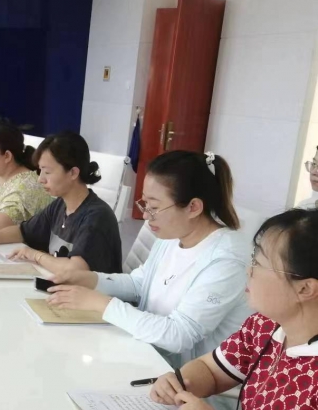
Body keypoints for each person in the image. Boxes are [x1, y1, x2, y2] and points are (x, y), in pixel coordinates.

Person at [149, 208, 318, 410]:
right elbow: (212, 371)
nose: (248, 270)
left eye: (259, 262)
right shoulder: (267, 325)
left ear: (305, 288)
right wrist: (180, 382)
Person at [44, 150, 253, 368]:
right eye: (145, 204)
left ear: (193, 207)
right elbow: (140, 284)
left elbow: (180, 335)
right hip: (147, 355)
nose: (145, 215)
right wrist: (91, 279)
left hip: (185, 378)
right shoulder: (174, 235)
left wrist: (100, 303)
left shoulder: (226, 260)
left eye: (154, 208)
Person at [0, 131, 122, 273]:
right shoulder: (60, 205)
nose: (40, 179)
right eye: (40, 171)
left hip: (90, 294)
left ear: (73, 173)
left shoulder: (97, 217)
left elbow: (75, 268)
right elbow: (23, 232)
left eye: (47, 172)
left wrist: (35, 255)